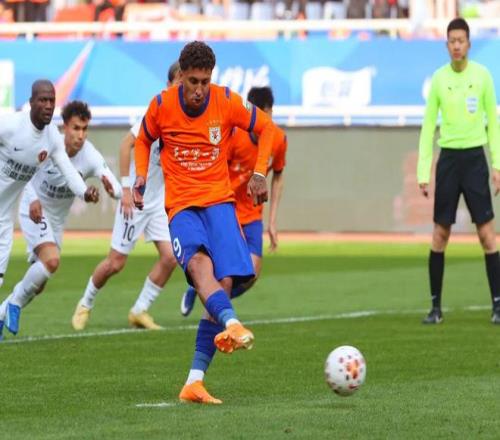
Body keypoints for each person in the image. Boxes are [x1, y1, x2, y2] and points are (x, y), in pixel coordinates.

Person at [133, 41, 274, 404]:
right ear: (180, 76)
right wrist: (140, 176)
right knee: (198, 265)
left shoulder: (225, 100)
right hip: (182, 207)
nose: (198, 90)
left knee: (223, 282)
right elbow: (143, 140)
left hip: (220, 204)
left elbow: (268, 129)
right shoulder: (161, 105)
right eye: (192, 81)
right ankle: (232, 323)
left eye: (204, 82)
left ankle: (194, 382)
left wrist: (260, 172)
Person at [71, 62, 181, 332]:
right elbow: (126, 144)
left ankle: (139, 310)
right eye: (180, 81)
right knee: (115, 263)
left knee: (171, 257)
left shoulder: (187, 117)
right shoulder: (156, 111)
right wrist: (127, 189)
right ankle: (85, 303)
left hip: (159, 203)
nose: (185, 87)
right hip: (136, 200)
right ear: (169, 84)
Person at [0, 100, 121, 340]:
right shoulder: (48, 142)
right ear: (65, 127)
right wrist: (33, 198)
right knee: (51, 260)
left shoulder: (89, 155)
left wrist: (113, 189)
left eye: (84, 129)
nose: (80, 135)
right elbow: (26, 172)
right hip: (34, 209)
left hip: (56, 221)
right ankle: (13, 304)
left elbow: (112, 182)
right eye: (76, 128)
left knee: (39, 283)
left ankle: (2, 312)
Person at [417, 18, 500, 325]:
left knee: (487, 235)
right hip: (449, 160)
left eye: (461, 41)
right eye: (452, 41)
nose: (456, 46)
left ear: (469, 44)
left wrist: (497, 165)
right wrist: (423, 170)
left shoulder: (482, 76)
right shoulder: (439, 79)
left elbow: (493, 122)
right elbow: (428, 126)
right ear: (446, 45)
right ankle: (435, 308)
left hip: (475, 160)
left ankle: (498, 306)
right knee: (440, 234)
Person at [180, 86, 287, 316]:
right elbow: (216, 167)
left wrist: (272, 221)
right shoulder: (234, 136)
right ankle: (214, 308)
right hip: (227, 209)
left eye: (266, 115)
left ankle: (204, 291)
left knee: (251, 275)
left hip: (253, 214)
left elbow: (278, 175)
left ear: (271, 112)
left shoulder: (278, 139)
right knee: (226, 274)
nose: (261, 122)